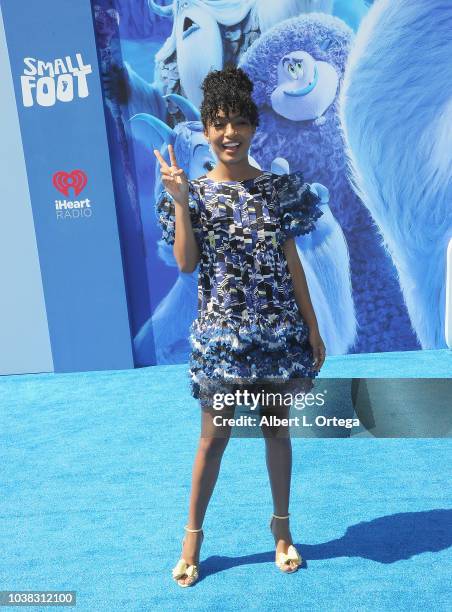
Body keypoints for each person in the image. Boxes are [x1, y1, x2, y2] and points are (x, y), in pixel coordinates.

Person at [153, 65, 326, 587]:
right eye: (219, 123)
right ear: (206, 130)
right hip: (222, 340)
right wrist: (183, 204)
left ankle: (282, 533)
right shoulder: (195, 193)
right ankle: (192, 540)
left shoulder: (278, 189)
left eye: (239, 123)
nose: (230, 133)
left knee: (277, 432)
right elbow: (186, 264)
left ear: (254, 127)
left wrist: (312, 329)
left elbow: (293, 262)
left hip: (276, 337)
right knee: (213, 439)